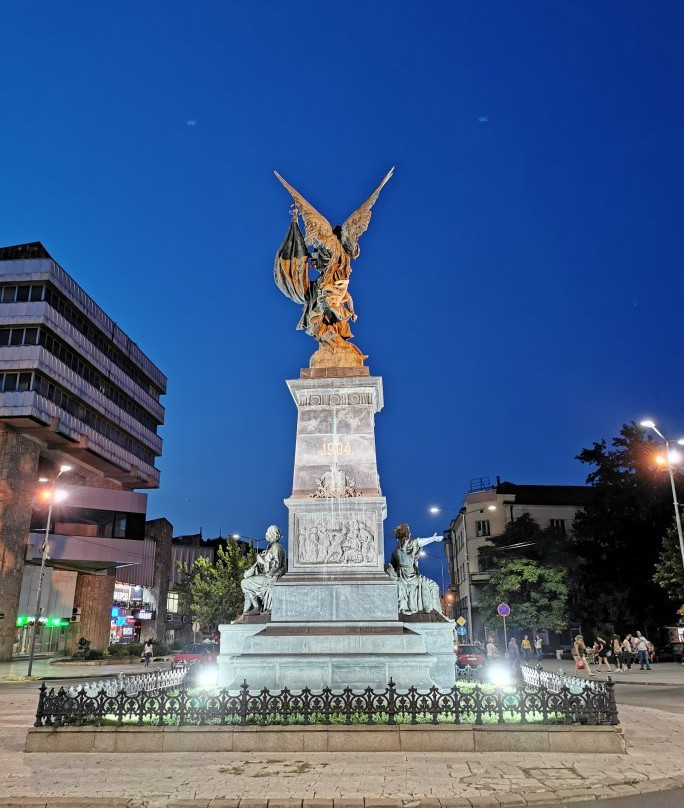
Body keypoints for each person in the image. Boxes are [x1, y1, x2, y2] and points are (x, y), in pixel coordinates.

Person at [241, 525, 286, 614]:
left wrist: (262, 562)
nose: (266, 534)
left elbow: (276, 566)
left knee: (245, 583)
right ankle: (249, 610)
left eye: (267, 532)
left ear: (272, 534)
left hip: (272, 578)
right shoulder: (272, 547)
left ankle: (256, 607)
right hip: (268, 576)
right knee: (246, 583)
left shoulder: (276, 547)